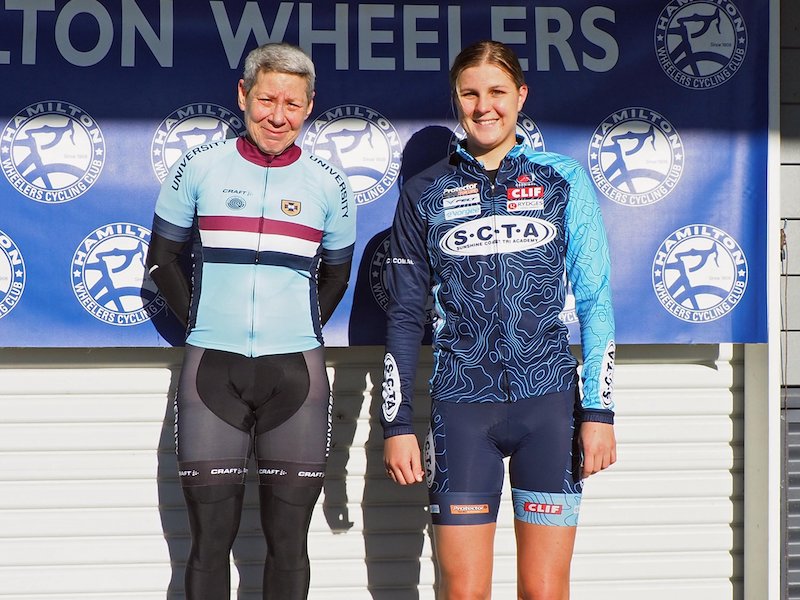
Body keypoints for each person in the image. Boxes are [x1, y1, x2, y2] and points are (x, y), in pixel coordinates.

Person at [381, 40, 616, 599]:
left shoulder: (562, 180)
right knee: (464, 592)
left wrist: (599, 411)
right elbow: (406, 315)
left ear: (521, 96)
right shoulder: (423, 192)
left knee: (544, 590)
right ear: (455, 99)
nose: (484, 106)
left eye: (497, 92)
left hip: (549, 406)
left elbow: (595, 300)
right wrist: (397, 424)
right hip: (461, 409)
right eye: (470, 94)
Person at [146, 42, 356, 600]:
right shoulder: (199, 166)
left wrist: (300, 330)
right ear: (242, 96)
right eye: (267, 100)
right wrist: (202, 325)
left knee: (289, 545)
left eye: (292, 104)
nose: (278, 116)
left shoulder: (329, 184)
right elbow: (162, 260)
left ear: (309, 106)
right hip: (212, 369)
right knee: (208, 544)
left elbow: (337, 275)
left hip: (297, 374)